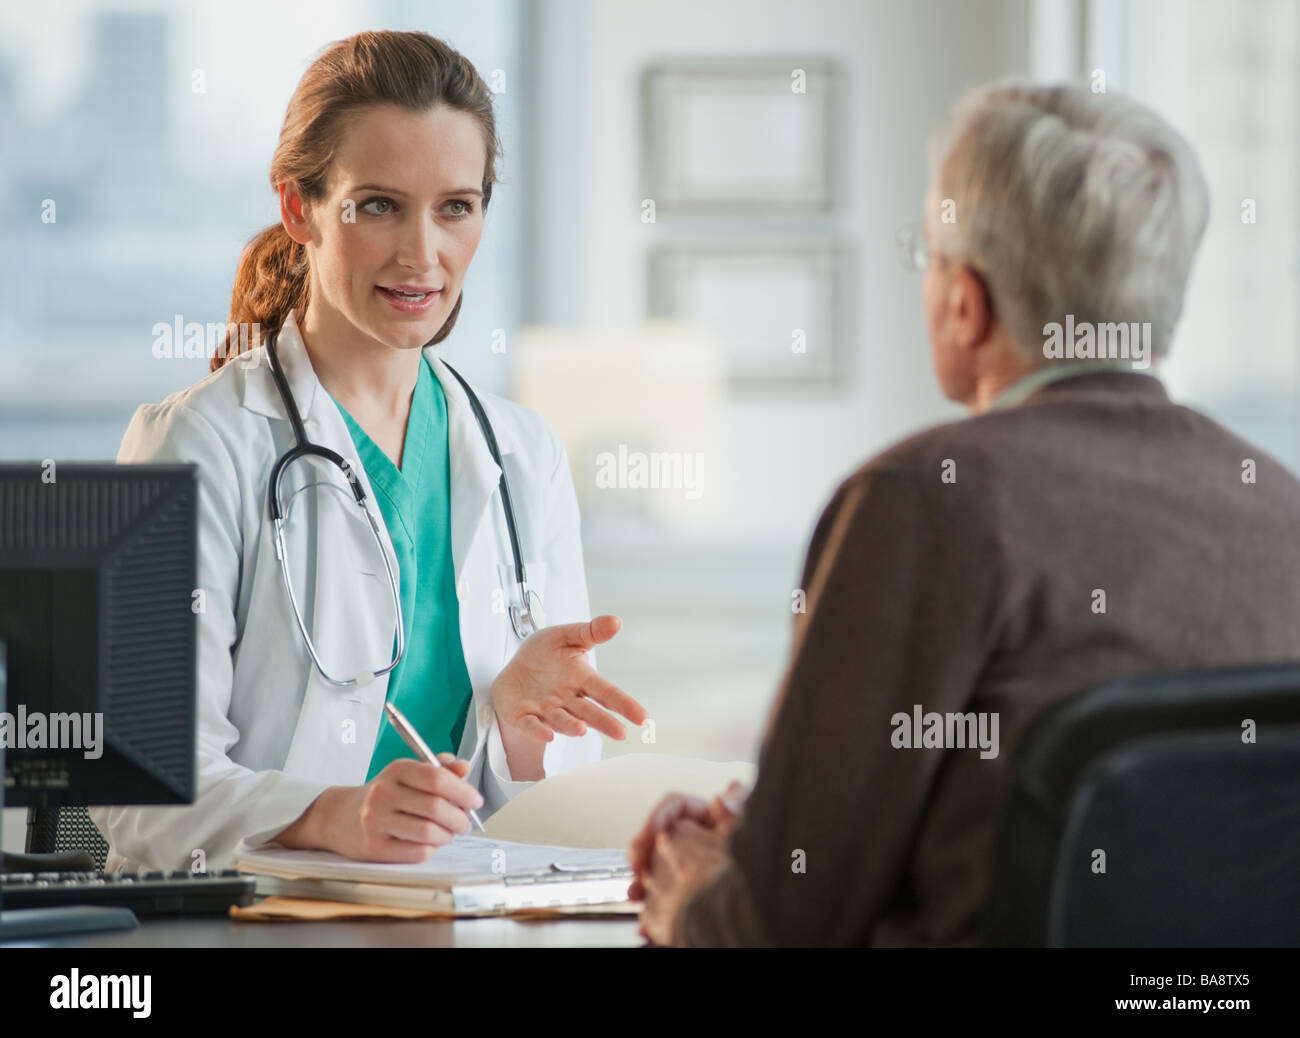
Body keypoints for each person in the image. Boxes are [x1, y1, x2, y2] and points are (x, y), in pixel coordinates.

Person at [628, 79, 1300, 946]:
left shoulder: (924, 501)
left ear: (964, 302)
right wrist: (765, 836)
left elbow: (777, 930)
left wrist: (696, 896)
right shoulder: (1280, 506)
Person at [92, 30, 646, 873]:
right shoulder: (197, 443)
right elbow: (137, 793)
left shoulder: (521, 456)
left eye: (456, 206)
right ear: (298, 207)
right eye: (378, 205)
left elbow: (530, 812)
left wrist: (519, 737)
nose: (422, 254)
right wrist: (330, 817)